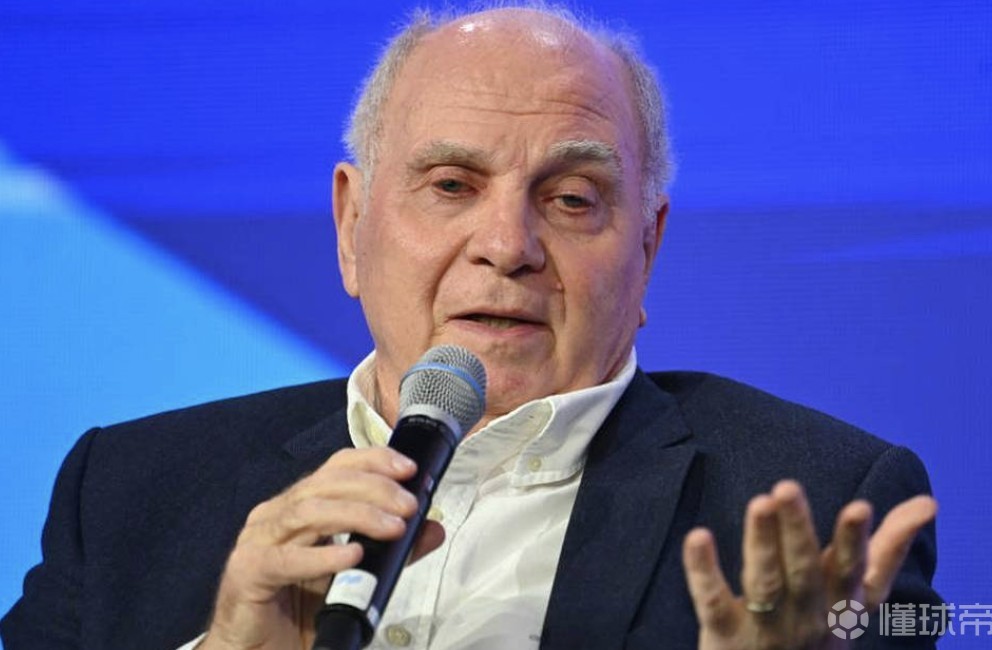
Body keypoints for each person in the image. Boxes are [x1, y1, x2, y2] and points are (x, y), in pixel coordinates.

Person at [2, 4, 940, 649]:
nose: (507, 245)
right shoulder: (128, 493)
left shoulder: (818, 514)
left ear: (648, 249)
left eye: (571, 199)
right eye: (451, 185)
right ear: (351, 226)